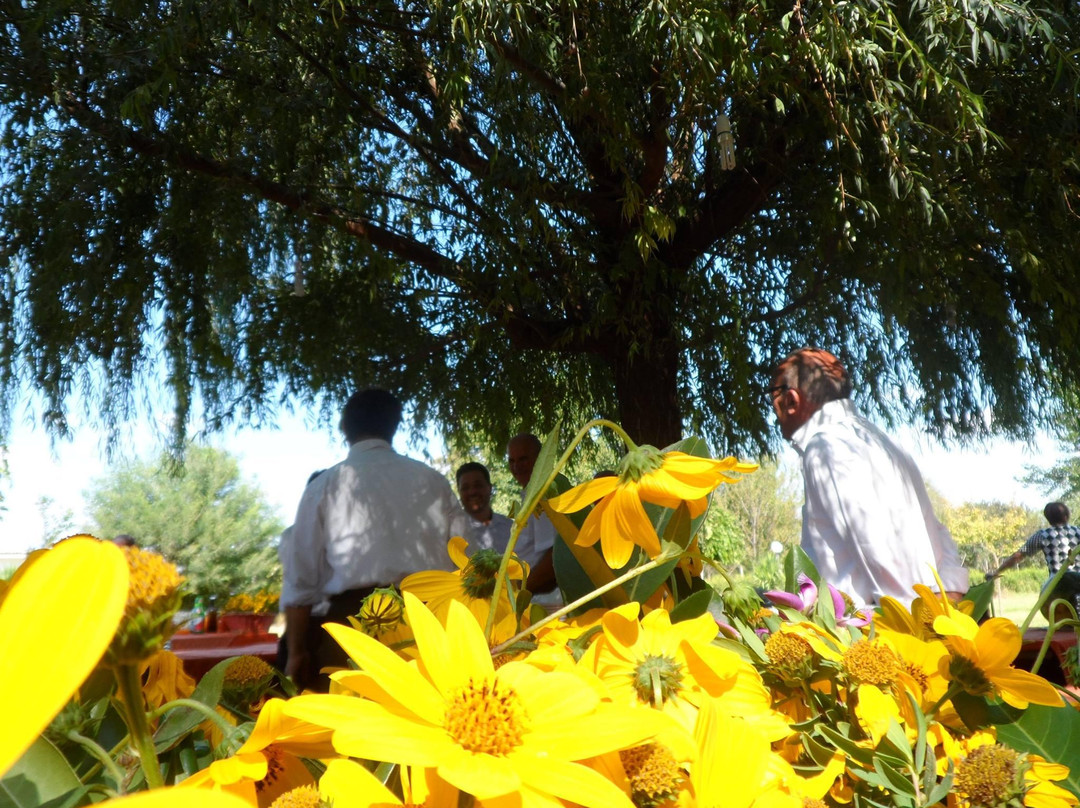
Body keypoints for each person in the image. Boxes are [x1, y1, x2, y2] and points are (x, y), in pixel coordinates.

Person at [280, 389, 470, 690]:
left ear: (344, 428)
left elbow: (301, 580)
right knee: (426, 718)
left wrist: (297, 651)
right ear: (395, 425)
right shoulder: (433, 481)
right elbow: (464, 556)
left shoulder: (323, 486)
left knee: (348, 724)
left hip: (350, 628)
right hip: (425, 623)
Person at [768, 348, 969, 606]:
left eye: (772, 396)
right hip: (923, 623)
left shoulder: (828, 447)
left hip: (883, 637)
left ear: (791, 399)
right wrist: (947, 593)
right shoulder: (880, 440)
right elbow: (937, 534)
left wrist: (919, 617)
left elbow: (889, 567)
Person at [988, 502, 1080, 615]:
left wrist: (997, 572)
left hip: (1055, 587)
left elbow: (1017, 556)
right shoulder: (1078, 531)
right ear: (1066, 516)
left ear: (1048, 519)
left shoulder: (1043, 535)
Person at [506, 433, 558, 594]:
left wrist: (518, 593)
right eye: (512, 461)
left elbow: (554, 555)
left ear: (539, 459)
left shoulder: (543, 496)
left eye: (523, 459)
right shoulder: (529, 495)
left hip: (543, 600)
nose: (517, 467)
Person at [456, 462, 513, 553]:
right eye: (465, 488)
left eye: (478, 485)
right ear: (459, 492)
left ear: (490, 488)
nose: (472, 492)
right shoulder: (453, 532)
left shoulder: (510, 528)